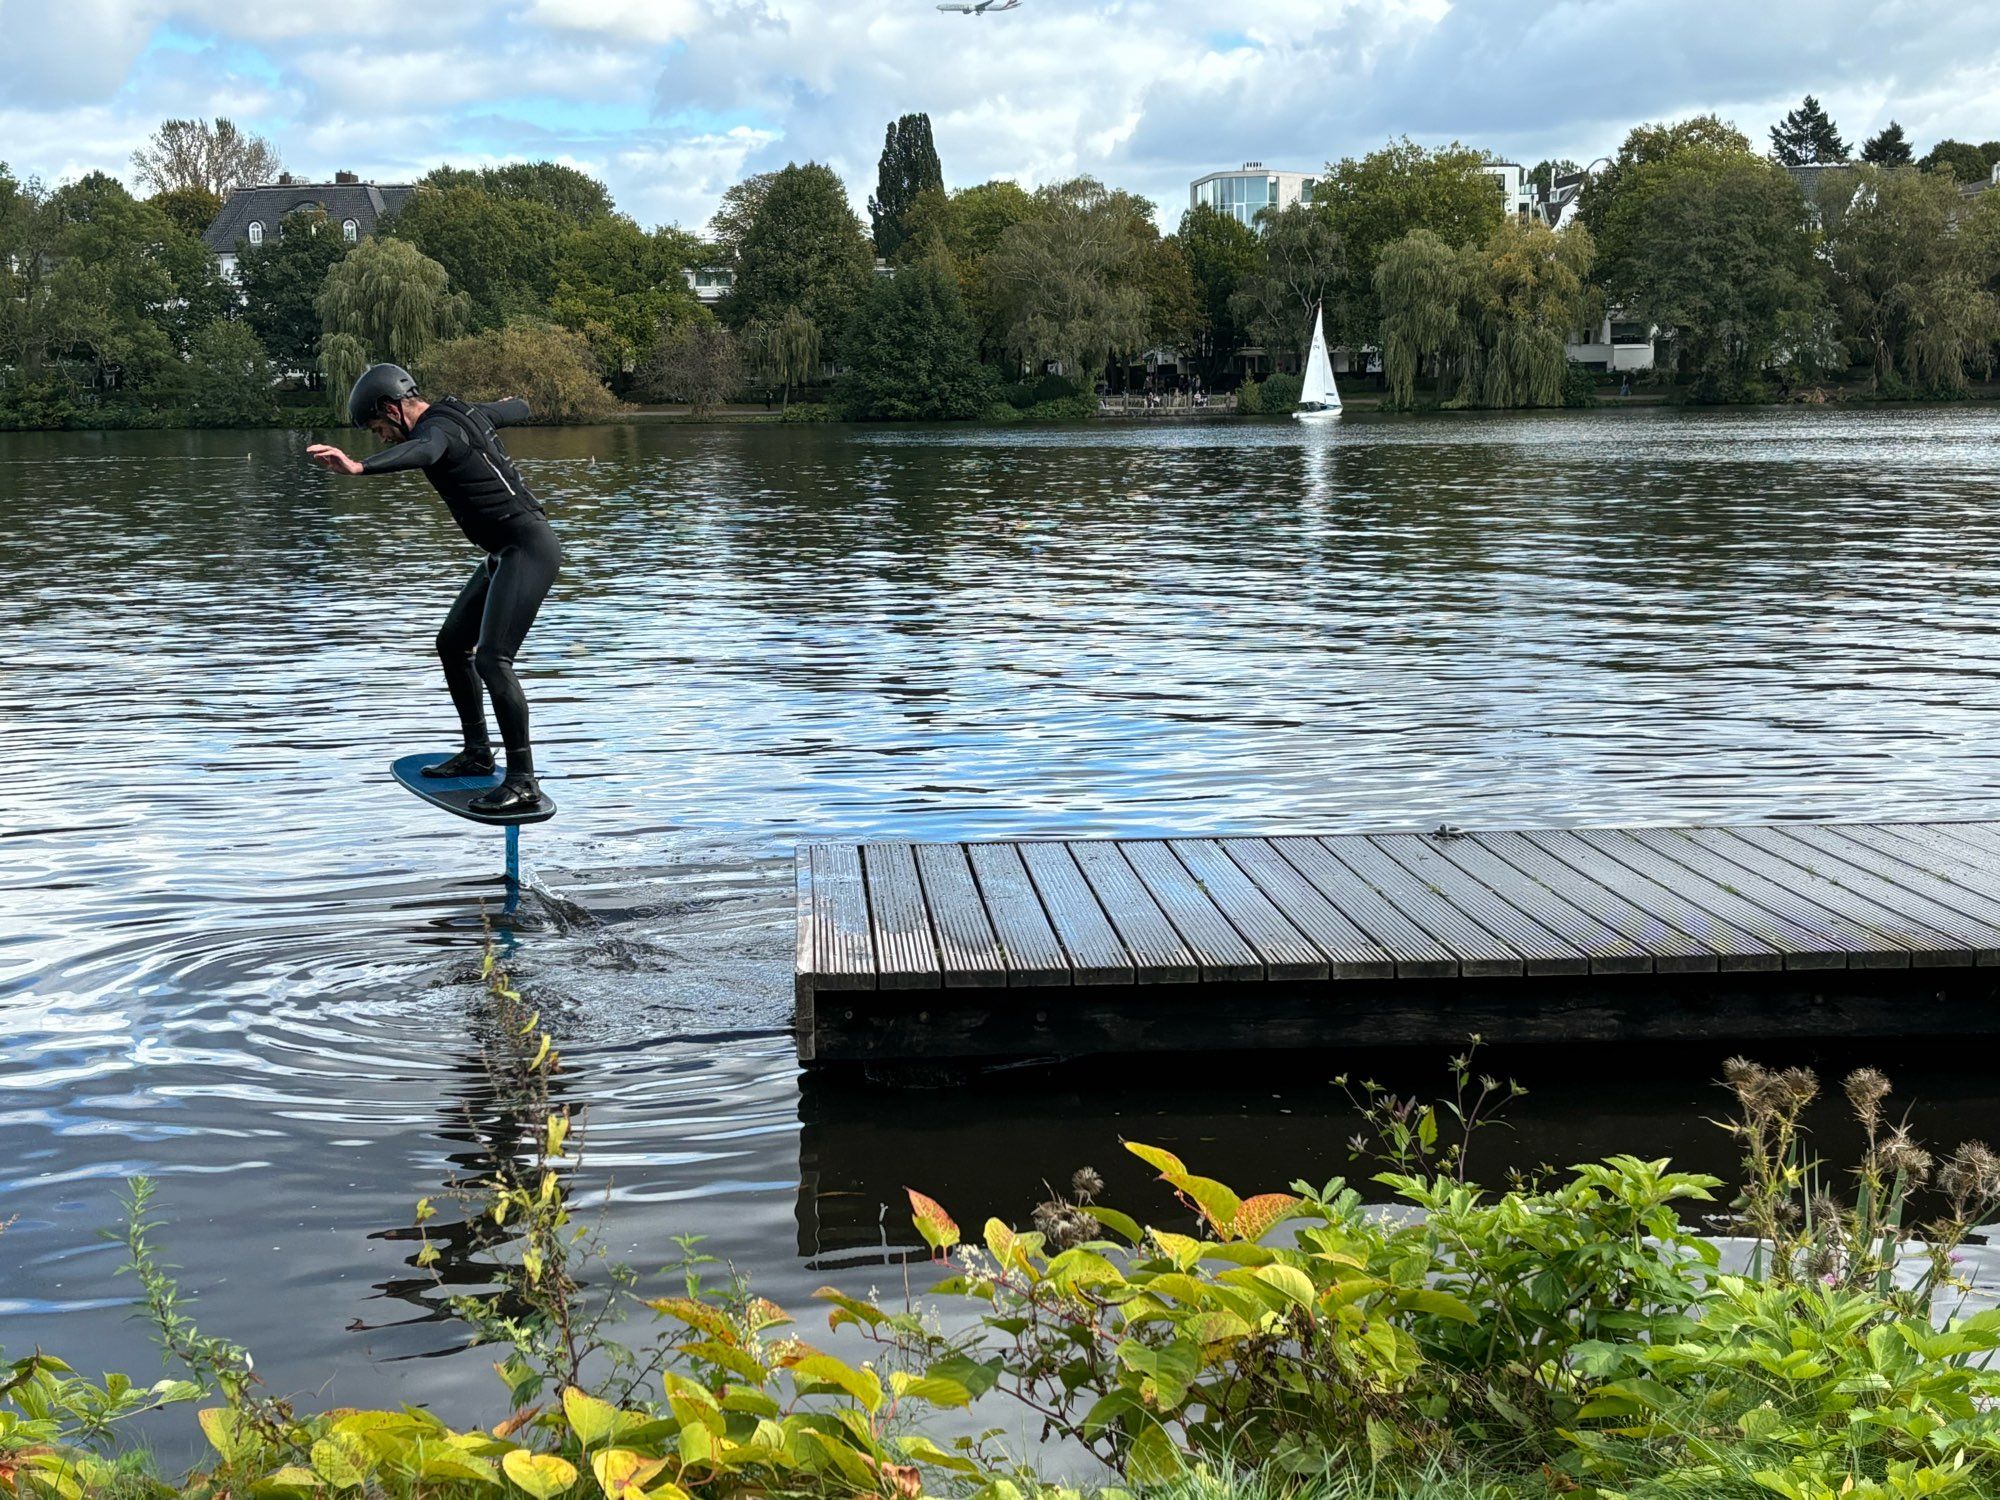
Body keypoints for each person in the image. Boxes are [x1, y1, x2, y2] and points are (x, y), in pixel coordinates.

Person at [306, 364, 561, 814]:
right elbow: (514, 408)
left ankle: (523, 781)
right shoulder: (465, 413)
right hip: (503, 551)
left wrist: (359, 467)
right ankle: (478, 752)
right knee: (451, 644)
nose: (381, 436)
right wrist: (515, 403)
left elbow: (424, 451)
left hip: (526, 548)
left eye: (378, 426)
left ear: (392, 408)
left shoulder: (436, 430)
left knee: (492, 659)